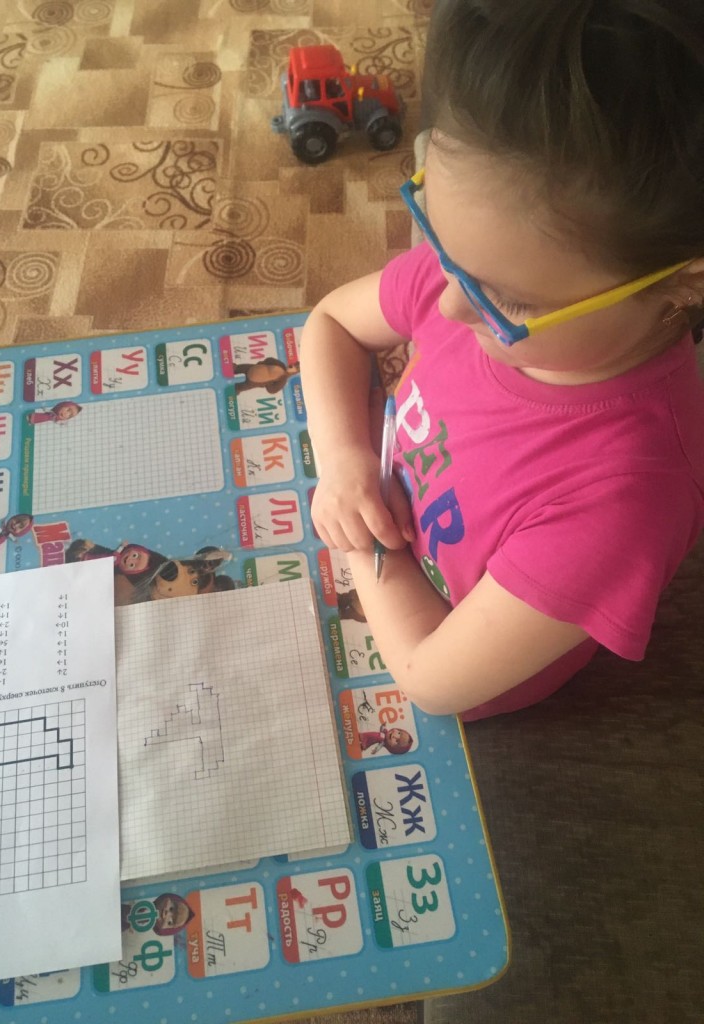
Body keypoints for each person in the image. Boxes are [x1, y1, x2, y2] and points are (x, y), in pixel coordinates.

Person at [300, 0, 704, 720]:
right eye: (442, 242)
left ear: (684, 286)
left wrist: (359, 539)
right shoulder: (480, 269)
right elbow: (330, 321)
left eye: (509, 299)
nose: (450, 306)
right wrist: (344, 462)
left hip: (486, 687)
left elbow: (430, 679)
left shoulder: (626, 498)